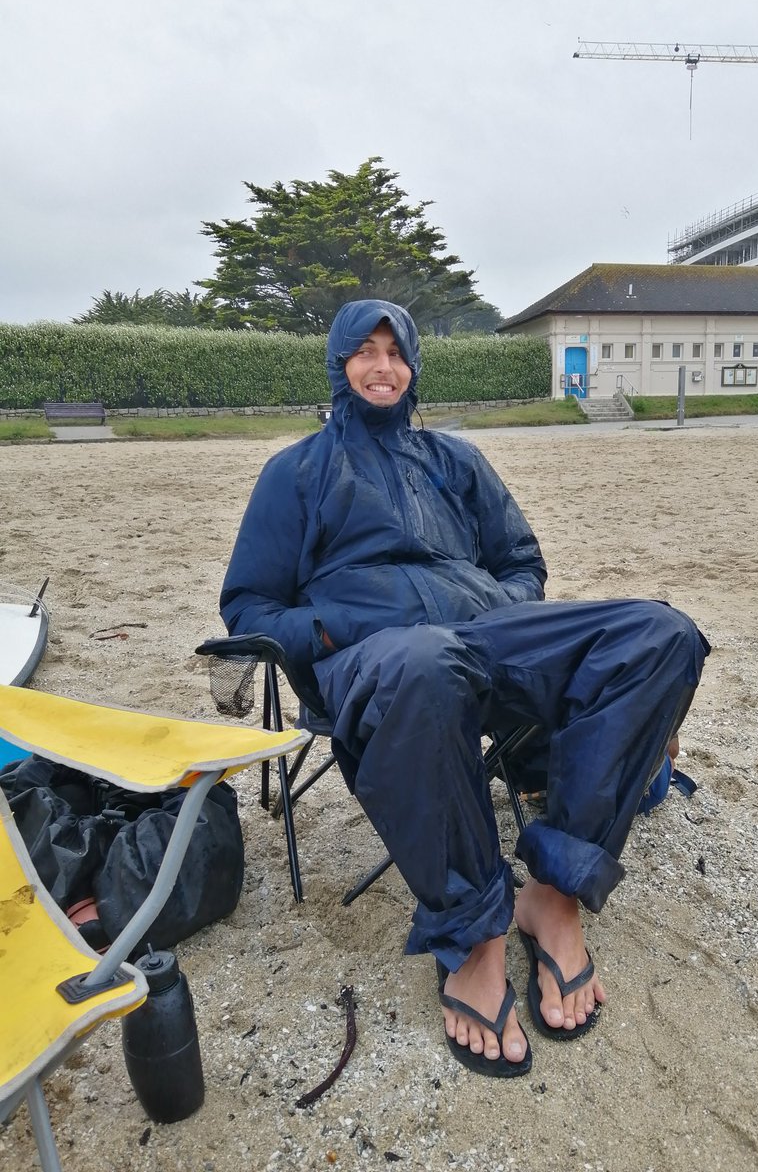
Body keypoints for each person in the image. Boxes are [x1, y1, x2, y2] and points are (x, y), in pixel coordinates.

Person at [220, 299, 709, 1079]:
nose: (383, 367)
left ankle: (554, 895)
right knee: (421, 661)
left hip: (486, 641)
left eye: (396, 352)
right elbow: (247, 607)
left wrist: (494, 606)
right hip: (377, 659)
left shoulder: (455, 462)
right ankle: (475, 933)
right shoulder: (297, 472)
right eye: (365, 353)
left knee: (660, 634)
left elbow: (523, 562)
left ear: (413, 367)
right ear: (339, 366)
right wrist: (335, 624)